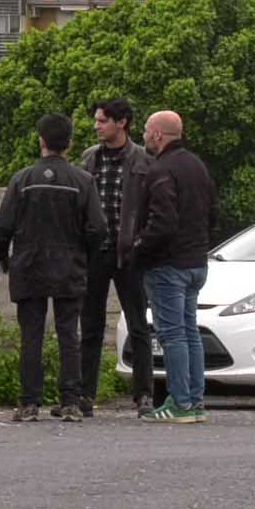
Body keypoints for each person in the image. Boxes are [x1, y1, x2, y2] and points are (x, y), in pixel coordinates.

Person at [0, 113, 104, 422]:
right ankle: (70, 401)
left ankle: (29, 403)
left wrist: (3, 258)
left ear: (41, 141)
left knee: (31, 335)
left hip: (29, 265)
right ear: (70, 144)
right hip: (70, 265)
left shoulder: (22, 180)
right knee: (69, 334)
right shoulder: (83, 181)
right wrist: (85, 256)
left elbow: (1, 228)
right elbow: (98, 229)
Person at [132, 110, 218, 424]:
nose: (144, 135)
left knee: (172, 335)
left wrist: (139, 247)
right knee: (189, 331)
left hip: (168, 264)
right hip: (196, 261)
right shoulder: (197, 166)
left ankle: (180, 402)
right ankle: (195, 400)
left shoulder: (160, 169)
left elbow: (163, 221)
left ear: (157, 134)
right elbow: (213, 213)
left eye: (146, 130)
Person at [78, 99, 154, 417]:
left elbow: (151, 205)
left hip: (129, 253)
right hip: (96, 251)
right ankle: (85, 394)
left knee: (138, 325)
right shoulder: (89, 158)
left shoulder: (143, 159)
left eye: (103, 121)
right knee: (90, 326)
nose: (96, 126)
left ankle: (144, 394)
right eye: (96, 120)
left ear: (121, 122)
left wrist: (140, 243)